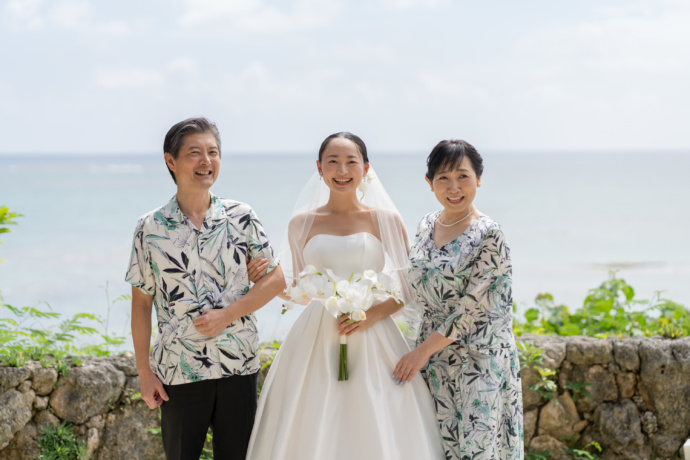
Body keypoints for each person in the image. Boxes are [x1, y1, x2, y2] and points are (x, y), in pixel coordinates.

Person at [245, 133, 444, 460]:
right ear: (319, 168)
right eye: (333, 161)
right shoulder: (301, 224)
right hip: (316, 336)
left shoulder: (386, 220)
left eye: (351, 161)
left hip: (375, 334)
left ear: (366, 168)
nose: (342, 169)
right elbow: (298, 292)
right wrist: (264, 278)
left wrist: (371, 316)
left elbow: (410, 287)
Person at [125, 117, 285, 460]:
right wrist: (143, 372)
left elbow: (277, 278)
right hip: (179, 370)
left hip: (238, 365)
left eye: (213, 152)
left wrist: (227, 314)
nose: (206, 161)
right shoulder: (149, 228)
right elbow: (141, 303)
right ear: (171, 161)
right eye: (194, 152)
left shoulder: (242, 217)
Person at [392, 139, 524, 459]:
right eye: (443, 178)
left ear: (478, 178)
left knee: (478, 450)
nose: (454, 187)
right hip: (435, 362)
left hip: (478, 362)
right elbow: (412, 285)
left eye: (463, 176)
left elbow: (473, 309)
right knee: (436, 447)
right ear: (430, 183)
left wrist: (420, 353)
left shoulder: (489, 234)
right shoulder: (425, 225)